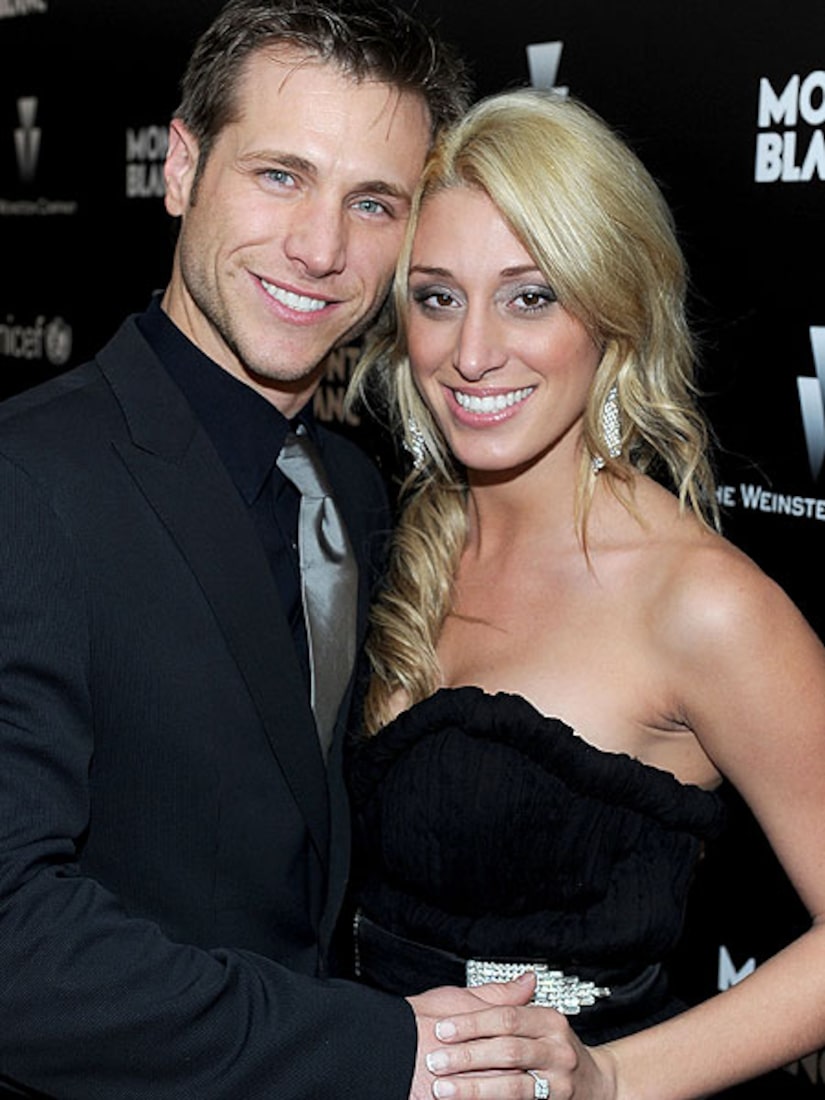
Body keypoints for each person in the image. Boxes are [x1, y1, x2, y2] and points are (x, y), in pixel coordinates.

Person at [0, 5, 552, 1097]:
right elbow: (14, 947)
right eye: (280, 176)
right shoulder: (29, 482)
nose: (321, 248)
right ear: (181, 167)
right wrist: (375, 1049)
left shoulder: (352, 486)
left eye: (372, 202)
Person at [347, 87, 825, 1099]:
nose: (472, 352)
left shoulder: (699, 604)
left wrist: (608, 1078)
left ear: (611, 310)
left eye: (530, 296)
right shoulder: (381, 536)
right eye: (436, 297)